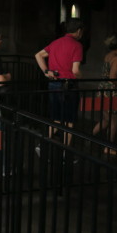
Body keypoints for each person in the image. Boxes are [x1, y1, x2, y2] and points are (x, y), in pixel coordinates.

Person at [34, 18, 84, 146]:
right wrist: (82, 77)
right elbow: (75, 70)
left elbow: (38, 55)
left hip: (54, 83)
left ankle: (42, 144)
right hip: (69, 85)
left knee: (56, 117)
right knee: (69, 119)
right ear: (78, 31)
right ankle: (65, 150)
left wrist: (46, 71)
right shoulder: (77, 46)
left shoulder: (55, 42)